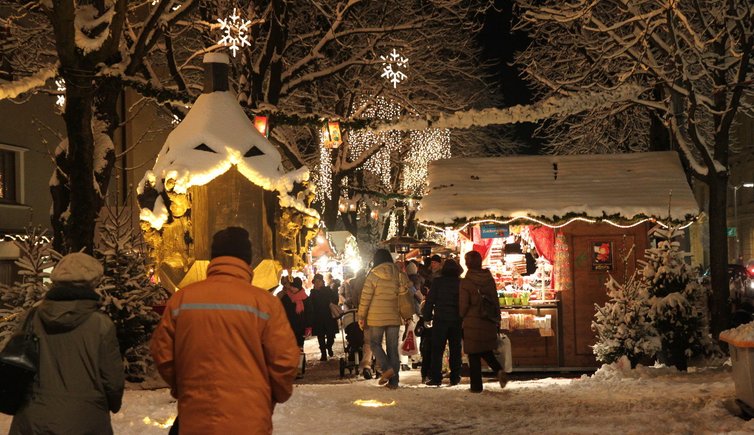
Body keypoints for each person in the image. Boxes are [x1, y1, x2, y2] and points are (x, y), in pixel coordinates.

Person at [150, 226, 299, 434]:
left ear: (213, 257)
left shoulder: (182, 301)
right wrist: (272, 395)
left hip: (196, 419)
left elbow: (162, 352)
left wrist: (184, 386)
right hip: (250, 420)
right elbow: (285, 359)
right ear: (248, 260)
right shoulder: (265, 304)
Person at [9, 252, 124, 435]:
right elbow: (111, 377)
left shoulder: (32, 317)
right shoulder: (101, 324)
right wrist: (113, 401)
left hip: (34, 416)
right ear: (93, 282)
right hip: (86, 417)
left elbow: (15, 363)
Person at [358, 249, 410, 389]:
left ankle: (387, 369)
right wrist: (407, 315)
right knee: (393, 348)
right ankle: (394, 382)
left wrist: (361, 316)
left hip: (376, 317)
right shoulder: (399, 274)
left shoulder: (373, 275)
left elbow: (365, 298)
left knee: (375, 344)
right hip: (394, 316)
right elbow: (405, 294)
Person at [459, 250, 507, 393]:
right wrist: (497, 318)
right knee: (486, 350)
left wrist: (461, 317)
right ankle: (499, 370)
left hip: (472, 321)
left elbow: (463, 305)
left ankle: (476, 387)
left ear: (468, 263)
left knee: (473, 354)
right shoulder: (489, 278)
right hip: (488, 320)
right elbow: (495, 300)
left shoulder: (466, 282)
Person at [422, 258, 464, 386]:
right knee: (455, 349)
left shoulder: (438, 282)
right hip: (457, 319)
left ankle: (436, 377)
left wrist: (427, 317)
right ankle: (455, 376)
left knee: (437, 350)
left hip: (440, 320)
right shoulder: (461, 283)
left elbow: (430, 301)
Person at [340, 268, 373, 378]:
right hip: (373, 316)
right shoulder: (374, 280)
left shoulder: (354, 284)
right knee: (373, 343)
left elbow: (353, 300)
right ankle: (376, 367)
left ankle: (367, 366)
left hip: (357, 317)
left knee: (367, 342)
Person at [309, 273, 339, 361]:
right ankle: (323, 354)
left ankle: (328, 346)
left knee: (331, 336)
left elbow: (335, 300)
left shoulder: (327, 290)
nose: (318, 283)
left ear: (322, 282)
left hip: (329, 316)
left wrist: (335, 291)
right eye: (316, 282)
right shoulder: (313, 293)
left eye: (319, 281)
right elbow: (311, 306)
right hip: (318, 318)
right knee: (320, 336)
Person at [279, 276, 311, 348]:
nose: (292, 288)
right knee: (292, 346)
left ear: (298, 287)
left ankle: (301, 359)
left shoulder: (305, 298)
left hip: (301, 327)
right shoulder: (286, 297)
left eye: (294, 287)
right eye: (291, 287)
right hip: (290, 326)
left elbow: (309, 313)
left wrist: (308, 326)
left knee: (300, 346)